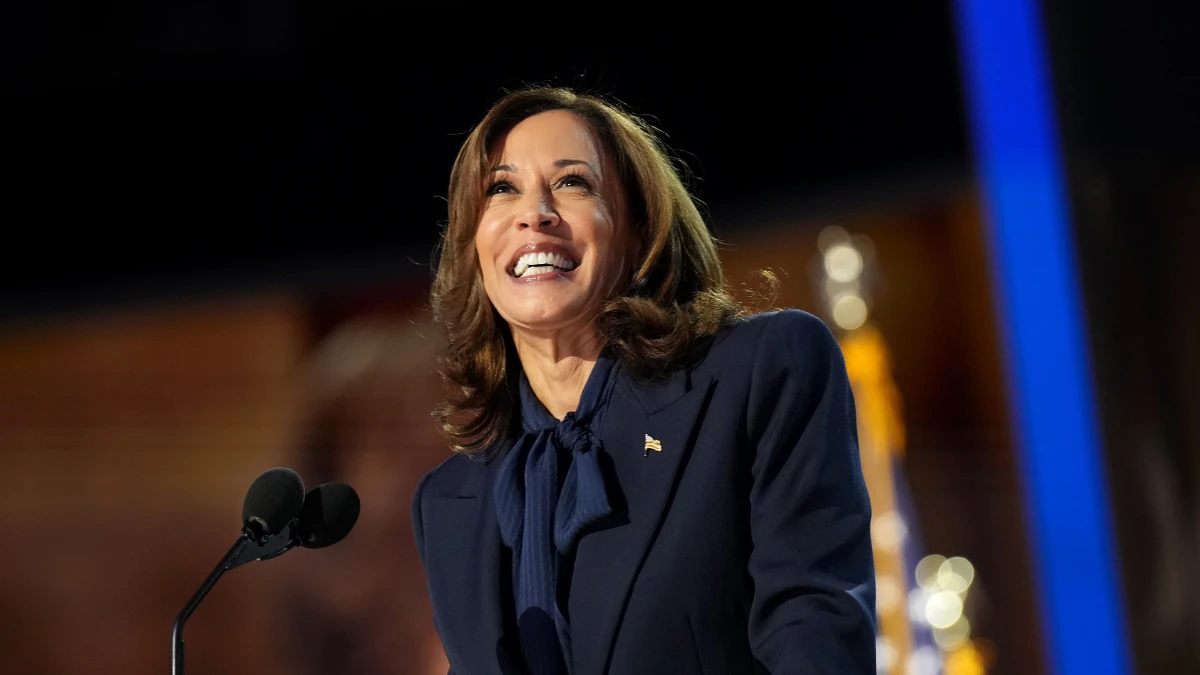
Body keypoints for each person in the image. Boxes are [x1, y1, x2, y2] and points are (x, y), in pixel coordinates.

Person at [412, 87, 876, 675]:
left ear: (639, 231)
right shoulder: (449, 502)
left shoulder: (760, 373)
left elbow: (815, 633)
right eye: (501, 189)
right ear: (473, 246)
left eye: (573, 183)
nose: (535, 213)